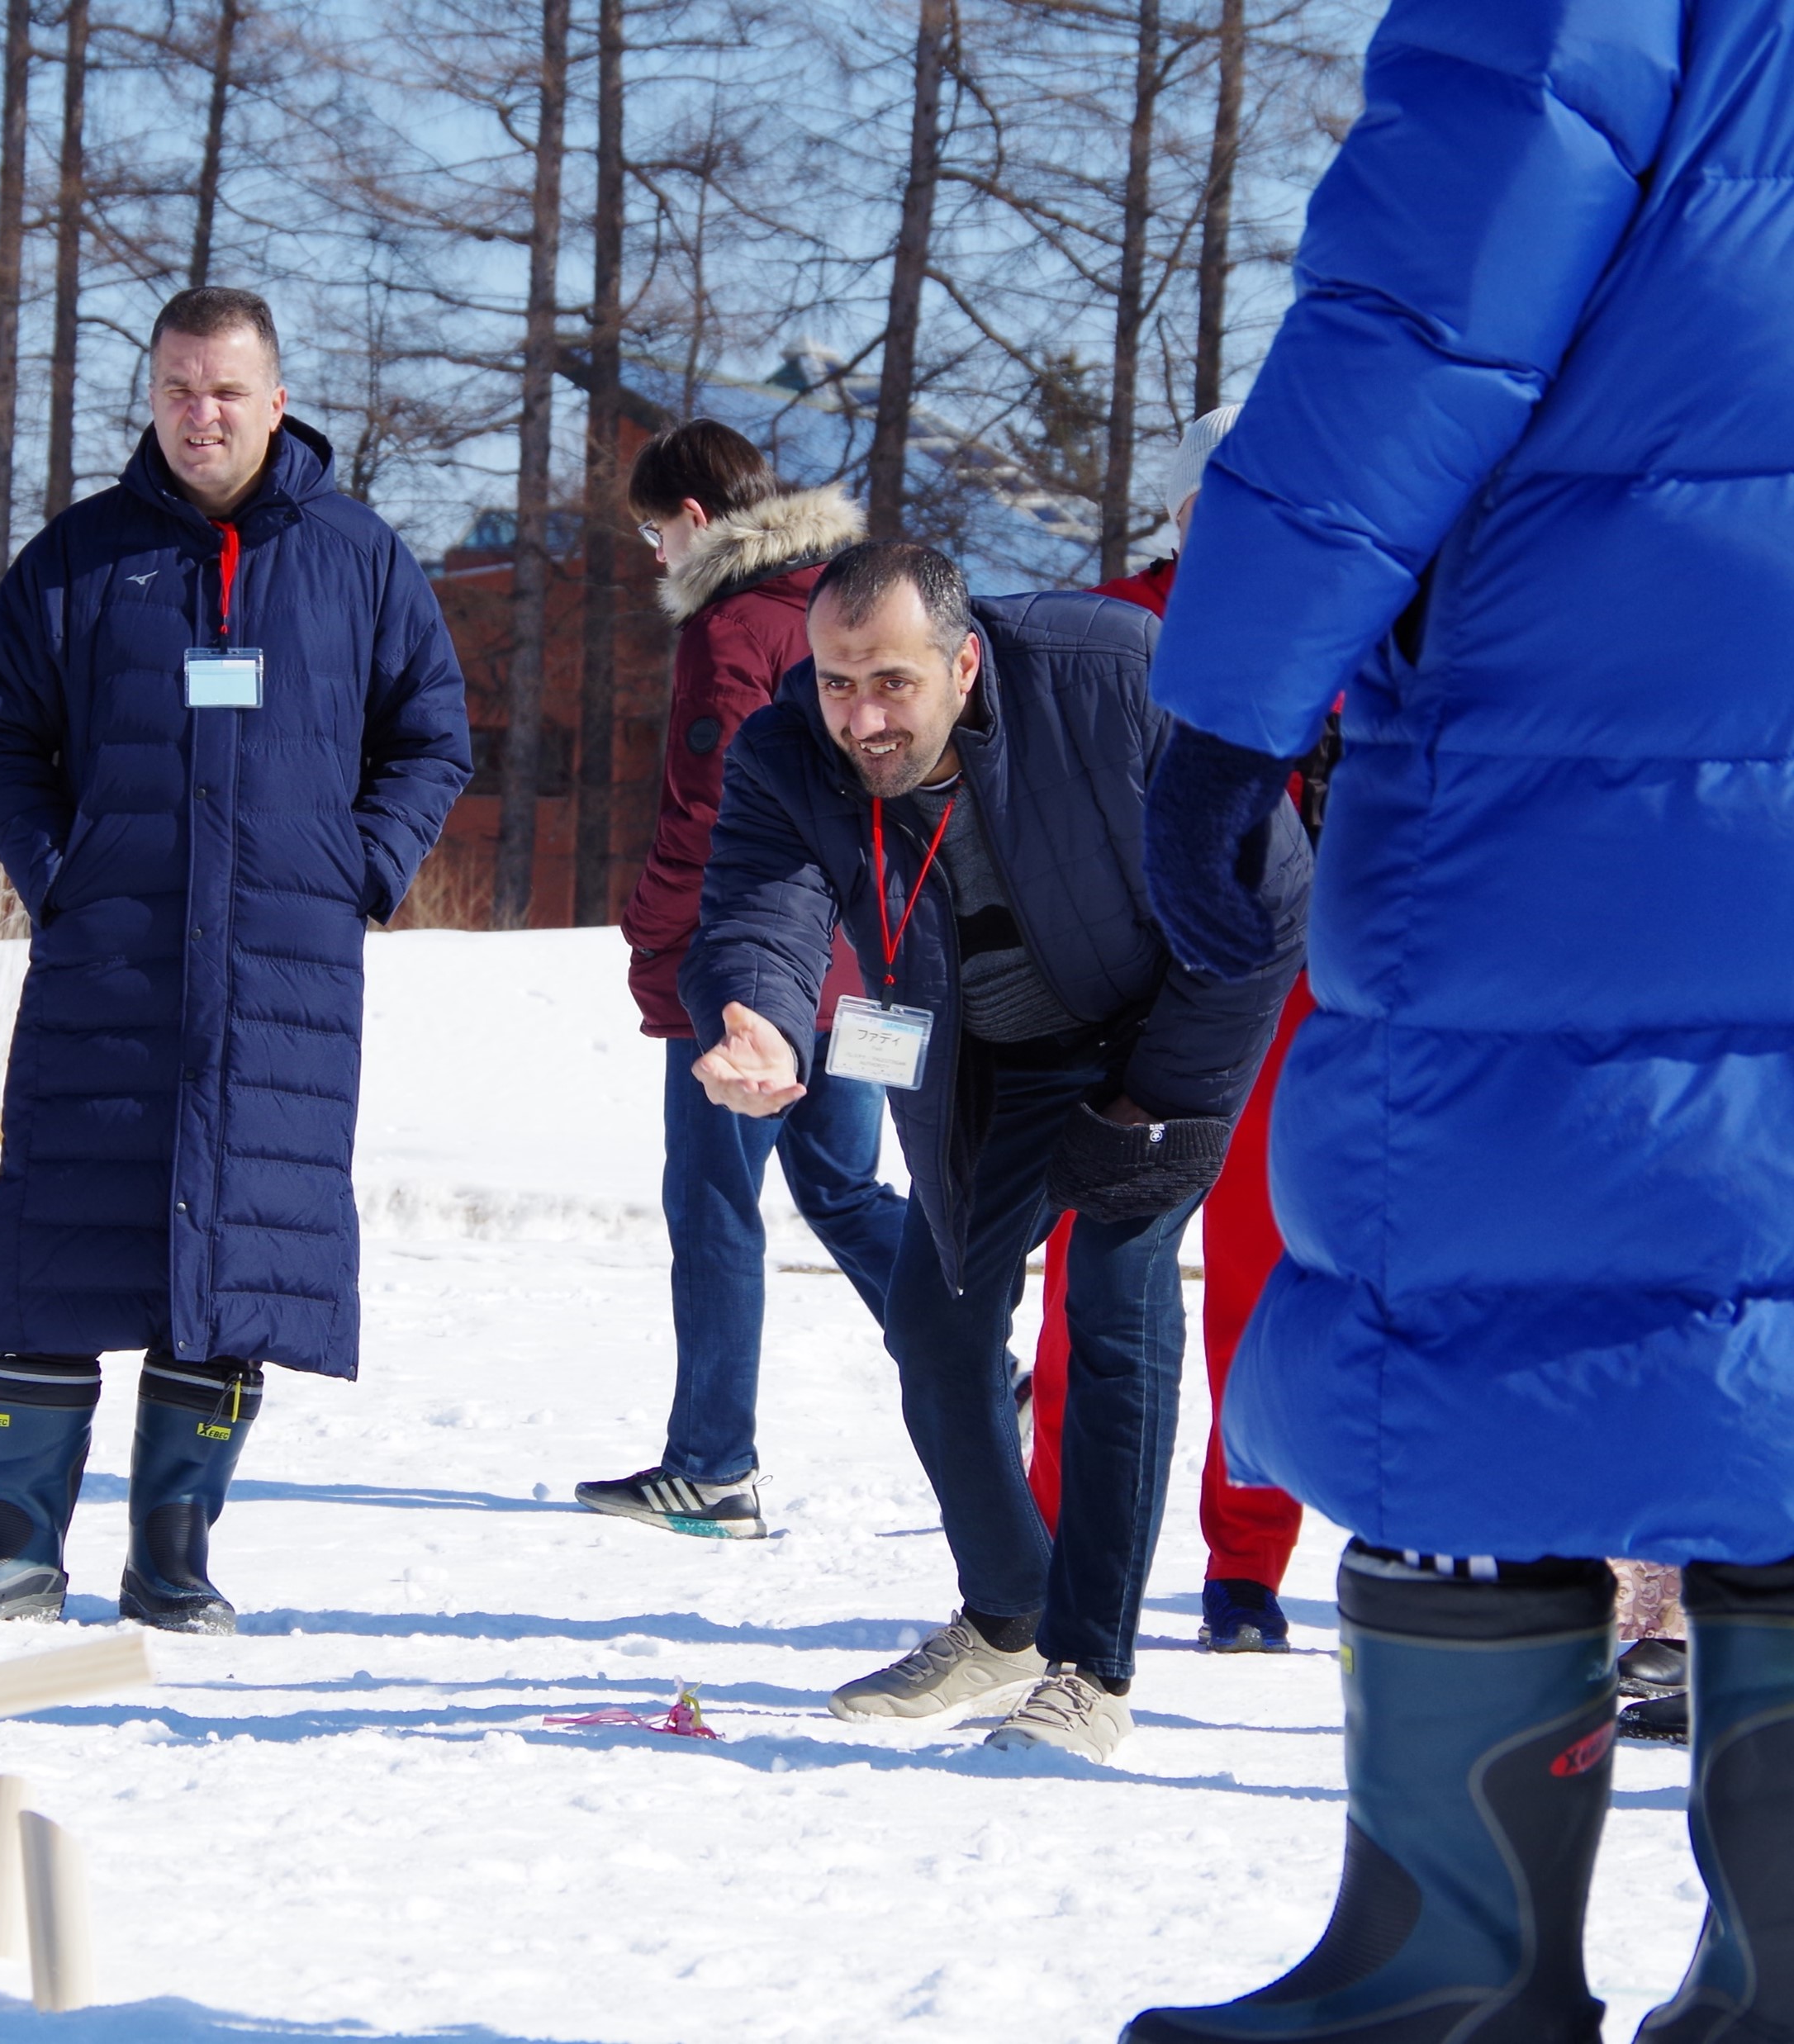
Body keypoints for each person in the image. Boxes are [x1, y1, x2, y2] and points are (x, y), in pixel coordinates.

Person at [1122, 2, 1794, 2034]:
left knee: (1491, 1272)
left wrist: (1233, 686)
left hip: (1614, 670)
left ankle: (1442, 1968)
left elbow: (1439, 285)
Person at [681, 538, 1307, 1760]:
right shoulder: (789, 744)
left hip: (1162, 1026)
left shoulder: (1115, 673)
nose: (860, 716)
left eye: (892, 683)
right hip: (983, 1057)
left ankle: (1090, 1670)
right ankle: (1007, 1613)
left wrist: (1154, 1099)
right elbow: (761, 902)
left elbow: (1267, 894)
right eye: (837, 680)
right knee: (936, 1315)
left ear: (966, 662)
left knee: (1117, 1301)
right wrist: (752, 1009)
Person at [0, 286, 471, 1635]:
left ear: (277, 401)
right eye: (176, 389)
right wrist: (63, 872)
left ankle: (172, 1552)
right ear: (149, 397)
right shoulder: (80, 561)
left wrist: (358, 870)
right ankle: (15, 1542)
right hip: (111, 963)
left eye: (225, 391)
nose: (199, 415)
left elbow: (431, 737)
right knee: (56, 1236)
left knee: (234, 1252)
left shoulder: (357, 559)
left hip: (280, 972)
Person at [1021, 403, 1317, 1655]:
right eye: (1227, 505)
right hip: (1123, 1000)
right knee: (1097, 1276)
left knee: (1265, 1288)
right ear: (1187, 512)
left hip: (1284, 1007)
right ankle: (1055, 1548)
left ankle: (1245, 1565)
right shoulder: (1102, 630)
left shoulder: (1342, 637)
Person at [573, 421, 904, 1540]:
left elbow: (710, 815)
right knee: (846, 1190)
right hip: (854, 964)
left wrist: (650, 933)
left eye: (654, 533)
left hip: (750, 969)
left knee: (715, 1201)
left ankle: (713, 1465)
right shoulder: (839, 607)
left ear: (698, 522)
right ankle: (976, 1355)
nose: (654, 557)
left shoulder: (732, 629)